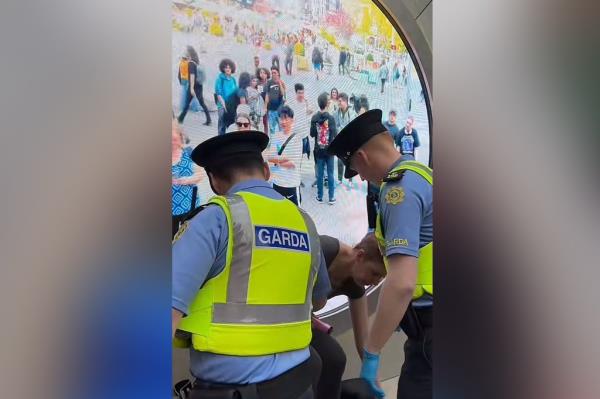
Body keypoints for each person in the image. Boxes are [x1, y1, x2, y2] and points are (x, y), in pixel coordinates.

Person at [172, 131, 332, 399]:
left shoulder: (216, 219)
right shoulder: (305, 223)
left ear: (214, 181)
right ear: (267, 171)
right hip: (299, 385)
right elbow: (318, 302)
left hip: (234, 391)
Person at [327, 109, 433, 399]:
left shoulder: (398, 190)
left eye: (356, 170)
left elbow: (401, 283)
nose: (361, 178)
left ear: (361, 157)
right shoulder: (423, 176)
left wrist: (372, 353)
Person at [311, 233, 386, 399]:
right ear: (360, 255)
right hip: (281, 315)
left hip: (304, 322)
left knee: (334, 360)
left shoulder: (356, 284)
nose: (376, 282)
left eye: (381, 278)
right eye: (375, 273)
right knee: (329, 357)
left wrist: (374, 380)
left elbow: (364, 340)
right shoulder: (324, 249)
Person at [265, 106, 303, 205]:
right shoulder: (277, 136)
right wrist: (286, 158)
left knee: (296, 214)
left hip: (292, 184)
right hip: (277, 182)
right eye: (281, 118)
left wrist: (277, 162)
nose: (283, 121)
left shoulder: (297, 138)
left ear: (292, 119)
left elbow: (293, 163)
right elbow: (269, 157)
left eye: (286, 118)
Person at [171, 119, 202, 237]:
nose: (172, 142)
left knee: (187, 237)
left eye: (174, 139)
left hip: (189, 206)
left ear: (180, 137)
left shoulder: (189, 152)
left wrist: (185, 180)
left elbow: (200, 175)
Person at [310, 93, 337, 205]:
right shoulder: (331, 118)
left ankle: (320, 197)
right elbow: (335, 134)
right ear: (327, 104)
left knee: (320, 174)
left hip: (318, 150)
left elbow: (312, 134)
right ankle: (331, 197)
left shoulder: (314, 118)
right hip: (329, 150)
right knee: (330, 173)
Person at [178, 45, 211, 126]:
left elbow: (192, 75)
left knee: (191, 103)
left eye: (186, 51)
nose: (185, 52)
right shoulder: (196, 61)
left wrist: (192, 88)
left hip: (194, 86)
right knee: (197, 103)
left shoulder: (191, 64)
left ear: (189, 53)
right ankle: (180, 119)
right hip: (199, 86)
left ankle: (180, 119)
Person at [287, 83, 314, 163]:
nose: (301, 95)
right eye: (299, 93)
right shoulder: (291, 103)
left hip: (304, 134)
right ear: (296, 93)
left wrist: (307, 103)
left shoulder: (306, 102)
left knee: (302, 155)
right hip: (294, 134)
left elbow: (311, 111)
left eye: (302, 93)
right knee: (294, 155)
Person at [334, 93, 355, 187]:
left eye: (340, 101)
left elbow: (352, 127)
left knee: (350, 162)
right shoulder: (336, 112)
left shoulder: (352, 113)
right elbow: (335, 126)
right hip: (340, 140)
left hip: (349, 141)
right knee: (339, 161)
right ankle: (339, 179)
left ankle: (350, 180)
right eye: (338, 101)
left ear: (346, 102)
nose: (339, 103)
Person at [215, 58, 239, 136]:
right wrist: (224, 106)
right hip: (222, 105)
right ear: (223, 68)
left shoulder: (233, 79)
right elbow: (219, 94)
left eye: (229, 67)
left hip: (232, 106)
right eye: (226, 67)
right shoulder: (220, 79)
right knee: (222, 124)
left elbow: (236, 92)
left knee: (232, 123)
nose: (228, 69)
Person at [265, 66, 285, 136]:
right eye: (272, 73)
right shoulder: (269, 82)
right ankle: (272, 143)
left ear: (278, 73)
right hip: (271, 109)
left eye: (275, 73)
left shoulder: (281, 82)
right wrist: (265, 107)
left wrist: (279, 83)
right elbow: (267, 95)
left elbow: (283, 93)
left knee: (281, 129)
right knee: (272, 129)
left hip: (279, 109)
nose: (273, 74)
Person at [256, 67, 271, 133]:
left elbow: (268, 95)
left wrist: (265, 106)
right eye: (261, 73)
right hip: (259, 103)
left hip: (267, 103)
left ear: (267, 74)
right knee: (257, 120)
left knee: (265, 121)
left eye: (264, 73)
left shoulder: (269, 83)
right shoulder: (258, 83)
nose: (262, 74)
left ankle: (266, 133)